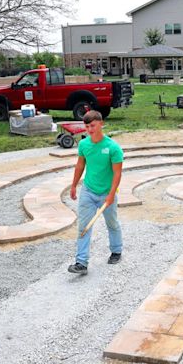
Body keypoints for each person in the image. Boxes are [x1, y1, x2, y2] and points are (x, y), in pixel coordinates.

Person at [67, 110, 123, 275]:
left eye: (92, 125)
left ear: (101, 124)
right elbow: (80, 166)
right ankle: (81, 263)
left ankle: (116, 250)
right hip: (88, 191)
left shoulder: (113, 147)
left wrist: (112, 194)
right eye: (87, 126)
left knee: (112, 223)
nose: (90, 129)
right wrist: (73, 185)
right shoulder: (84, 145)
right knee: (84, 226)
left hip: (107, 193)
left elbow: (117, 173)